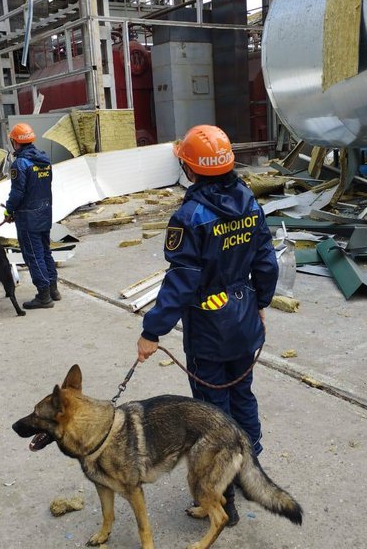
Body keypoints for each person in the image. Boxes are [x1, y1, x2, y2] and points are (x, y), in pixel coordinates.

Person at [136, 124, 279, 525]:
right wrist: (261, 303)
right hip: (243, 317)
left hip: (209, 329)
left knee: (213, 416)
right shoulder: (250, 200)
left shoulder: (191, 216)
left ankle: (223, 501)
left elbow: (181, 283)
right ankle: (251, 473)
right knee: (243, 399)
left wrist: (152, 331)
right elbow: (266, 262)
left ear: (190, 167)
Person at [4, 122, 60, 309]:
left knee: (34, 256)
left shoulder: (20, 164)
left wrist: (9, 210)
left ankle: (44, 296)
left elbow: (17, 193)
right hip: (45, 212)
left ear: (16, 142)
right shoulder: (44, 160)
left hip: (28, 217)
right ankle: (53, 289)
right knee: (45, 252)